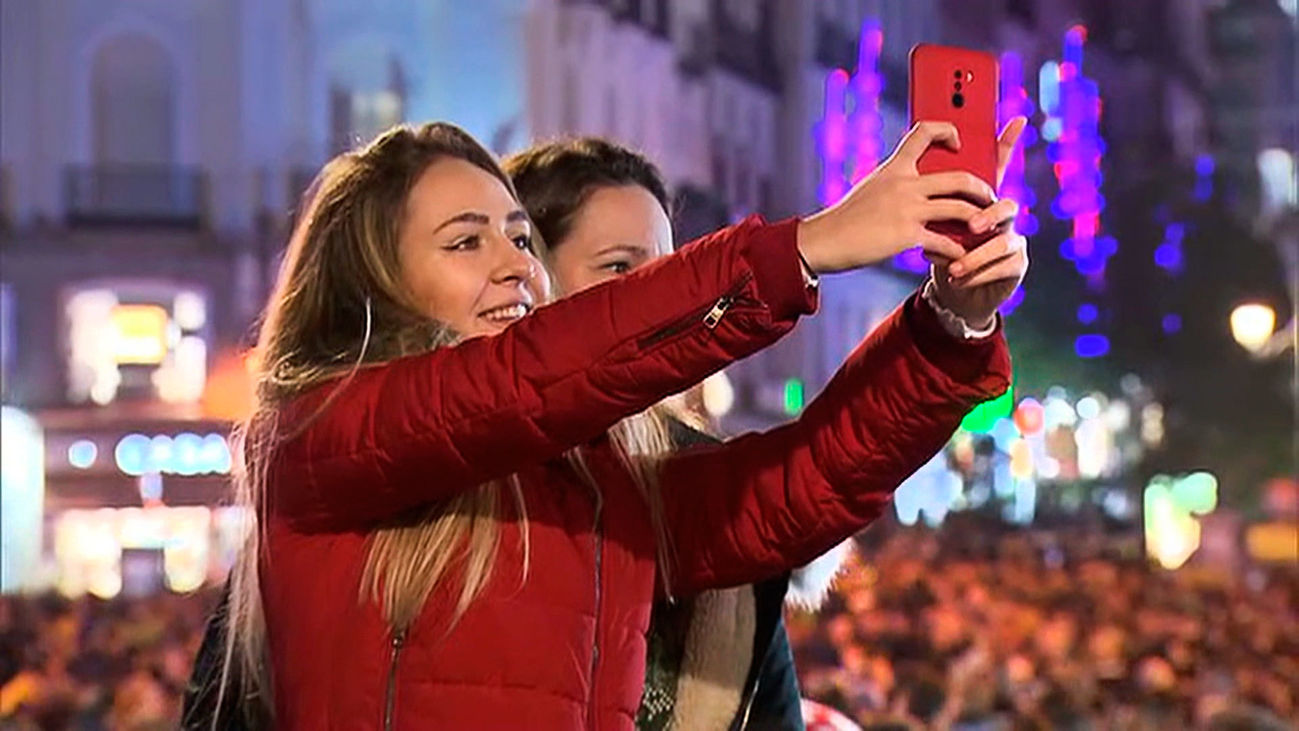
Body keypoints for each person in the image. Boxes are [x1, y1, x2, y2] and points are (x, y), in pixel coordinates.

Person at [197, 119, 1025, 730]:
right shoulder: (321, 432)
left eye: (519, 237)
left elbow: (796, 490)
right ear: (372, 284)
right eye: (465, 242)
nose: (513, 264)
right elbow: (522, 381)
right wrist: (807, 246)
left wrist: (948, 325)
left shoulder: (595, 480)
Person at [504, 137, 853, 730]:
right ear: (530, 281)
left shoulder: (719, 492)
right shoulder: (466, 486)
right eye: (619, 268)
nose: (656, 299)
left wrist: (953, 323)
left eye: (668, 273)